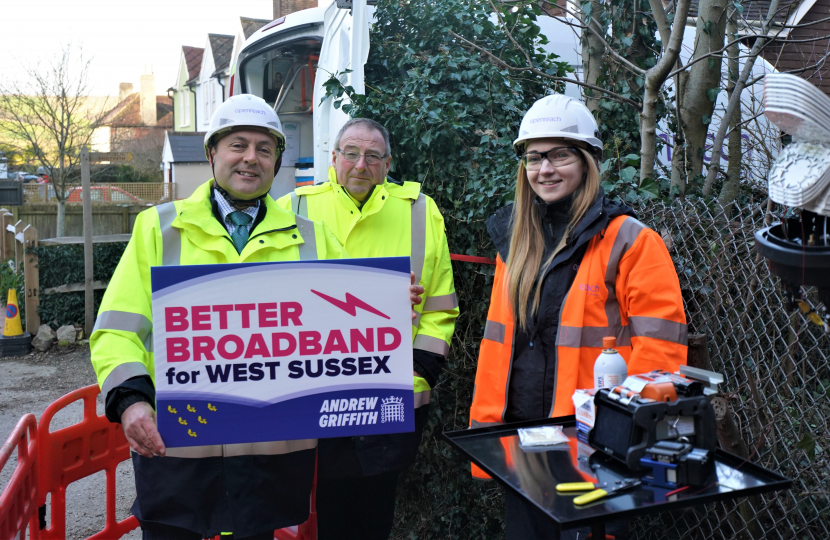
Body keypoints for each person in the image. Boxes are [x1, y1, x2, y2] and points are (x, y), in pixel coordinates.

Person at [90, 95, 423, 540]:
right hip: (178, 457)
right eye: (238, 145)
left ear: (276, 162)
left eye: (264, 149)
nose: (251, 158)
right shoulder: (158, 227)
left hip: (268, 470)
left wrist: (389, 305)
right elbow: (116, 329)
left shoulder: (312, 237)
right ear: (212, 153)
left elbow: (348, 324)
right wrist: (129, 401)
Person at [468, 94, 688, 539]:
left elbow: (660, 354)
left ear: (587, 160)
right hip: (521, 445)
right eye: (534, 158)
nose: (544, 169)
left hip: (592, 449)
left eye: (559, 155)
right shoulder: (515, 241)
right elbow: (500, 348)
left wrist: (620, 438)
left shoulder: (631, 241)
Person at [277, 117, 459, 540]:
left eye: (373, 156)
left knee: (375, 515)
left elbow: (440, 305)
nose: (361, 164)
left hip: (390, 395)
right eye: (352, 154)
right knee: (318, 517)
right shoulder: (293, 207)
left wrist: (416, 373)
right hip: (314, 395)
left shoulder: (419, 211)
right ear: (334, 158)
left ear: (388, 162)